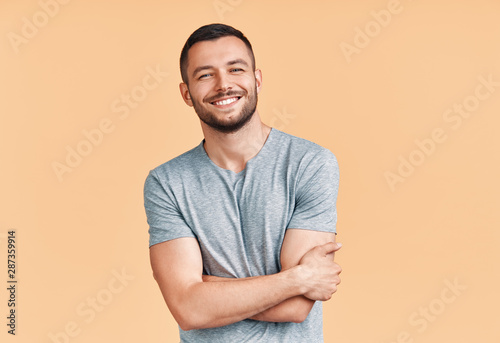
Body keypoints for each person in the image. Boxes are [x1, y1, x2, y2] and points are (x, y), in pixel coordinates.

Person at [144, 23, 342, 343]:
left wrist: (207, 291)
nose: (224, 84)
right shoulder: (166, 183)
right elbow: (189, 310)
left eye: (236, 69)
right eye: (205, 75)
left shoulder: (310, 163)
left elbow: (295, 307)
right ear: (186, 94)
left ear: (257, 80)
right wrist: (300, 278)